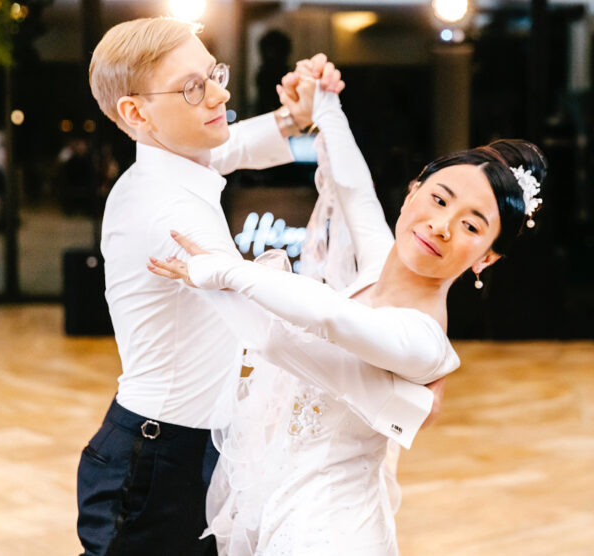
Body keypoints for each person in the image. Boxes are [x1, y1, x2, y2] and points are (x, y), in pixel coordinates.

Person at [147, 61, 545, 554]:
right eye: (440, 199)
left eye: (471, 226)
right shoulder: (379, 264)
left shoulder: (423, 340)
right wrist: (324, 100)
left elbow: (330, 317)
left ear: (486, 257)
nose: (443, 225)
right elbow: (355, 187)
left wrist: (223, 271)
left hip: (330, 531)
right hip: (283, 502)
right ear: (413, 191)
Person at [76, 18, 359, 555]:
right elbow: (269, 329)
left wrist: (295, 114)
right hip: (154, 462)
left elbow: (233, 146)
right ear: (136, 113)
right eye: (193, 88)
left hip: (182, 446)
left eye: (213, 74)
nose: (220, 94)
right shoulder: (171, 211)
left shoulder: (164, 166)